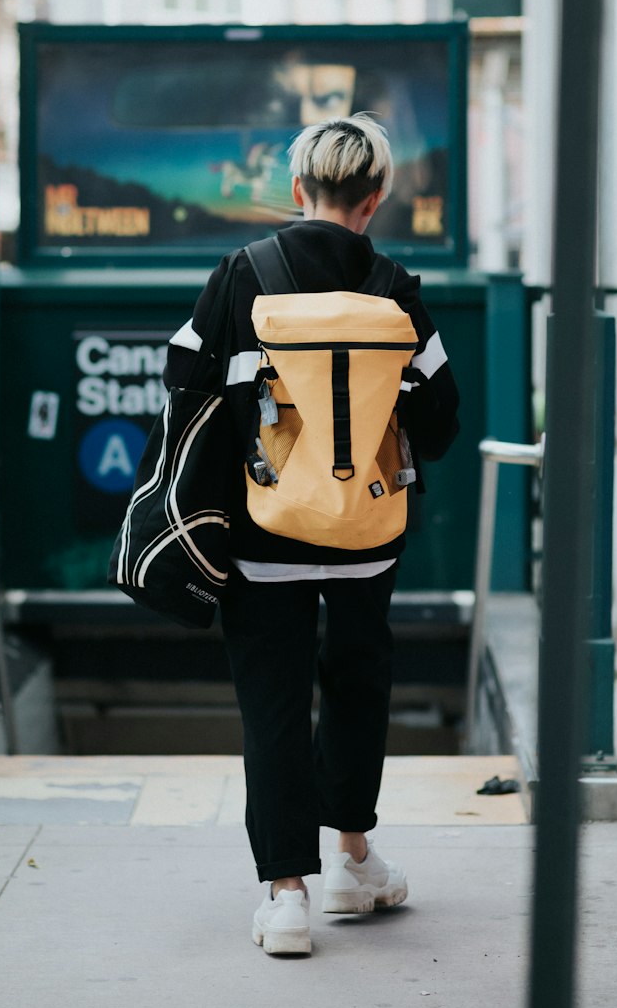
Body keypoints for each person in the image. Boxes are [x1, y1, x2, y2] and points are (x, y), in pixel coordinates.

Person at [164, 114, 460, 956]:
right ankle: (353, 860)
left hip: (264, 531)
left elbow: (182, 380)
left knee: (274, 699)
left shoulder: (241, 275)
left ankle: (286, 894)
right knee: (359, 682)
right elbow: (439, 420)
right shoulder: (397, 289)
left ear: (297, 191)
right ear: (375, 201)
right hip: (366, 530)